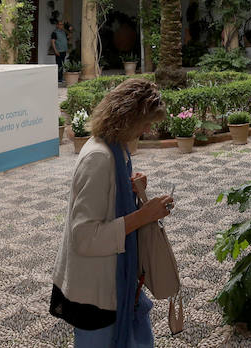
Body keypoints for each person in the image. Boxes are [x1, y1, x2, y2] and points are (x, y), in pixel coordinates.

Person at [53, 78, 176, 346]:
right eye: (146, 123)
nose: (148, 129)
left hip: (112, 282)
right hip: (95, 293)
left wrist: (129, 187)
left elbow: (105, 202)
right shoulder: (100, 157)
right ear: (128, 118)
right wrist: (145, 215)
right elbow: (84, 237)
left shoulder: (114, 148)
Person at [50, 17, 68, 82]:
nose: (61, 26)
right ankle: (59, 79)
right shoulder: (54, 33)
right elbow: (52, 42)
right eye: (60, 24)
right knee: (59, 65)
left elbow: (69, 36)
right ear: (57, 25)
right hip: (58, 51)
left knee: (62, 65)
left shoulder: (63, 32)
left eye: (62, 24)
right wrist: (55, 51)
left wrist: (69, 29)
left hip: (63, 51)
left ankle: (61, 78)